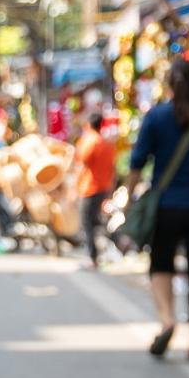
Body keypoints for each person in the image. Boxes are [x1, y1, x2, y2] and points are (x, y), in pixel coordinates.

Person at [125, 60, 189, 361]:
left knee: (161, 265)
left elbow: (136, 163)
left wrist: (129, 199)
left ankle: (167, 320)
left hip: (166, 208)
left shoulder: (155, 118)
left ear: (170, 85)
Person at [73, 113, 116, 268]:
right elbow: (113, 168)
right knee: (97, 221)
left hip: (89, 188)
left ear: (88, 125)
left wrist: (75, 186)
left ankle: (93, 257)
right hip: (104, 187)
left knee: (87, 223)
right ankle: (100, 252)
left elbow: (80, 164)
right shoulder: (108, 144)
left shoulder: (88, 142)